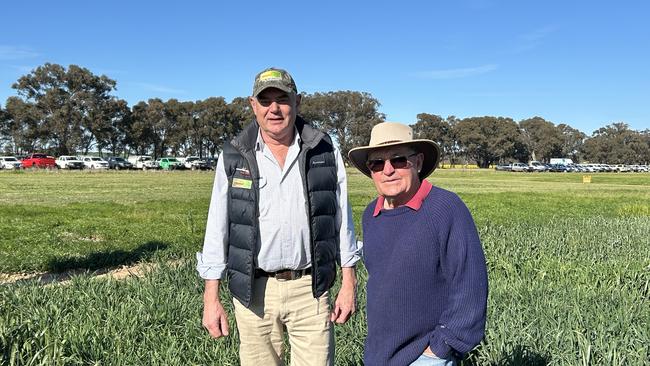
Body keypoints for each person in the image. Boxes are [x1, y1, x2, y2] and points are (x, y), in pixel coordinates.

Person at [196, 67, 359, 366]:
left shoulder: (323, 149)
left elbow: (342, 220)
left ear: (297, 102)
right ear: (252, 105)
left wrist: (349, 284)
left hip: (310, 290)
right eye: (265, 100)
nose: (274, 108)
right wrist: (211, 298)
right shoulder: (234, 154)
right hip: (254, 293)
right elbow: (217, 227)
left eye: (282, 99)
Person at [348, 122, 488, 366]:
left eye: (399, 160)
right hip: (379, 354)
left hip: (426, 357)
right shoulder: (371, 214)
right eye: (377, 163)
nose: (388, 170)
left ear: (419, 162)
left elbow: (470, 284)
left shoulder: (445, 208)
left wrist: (440, 349)